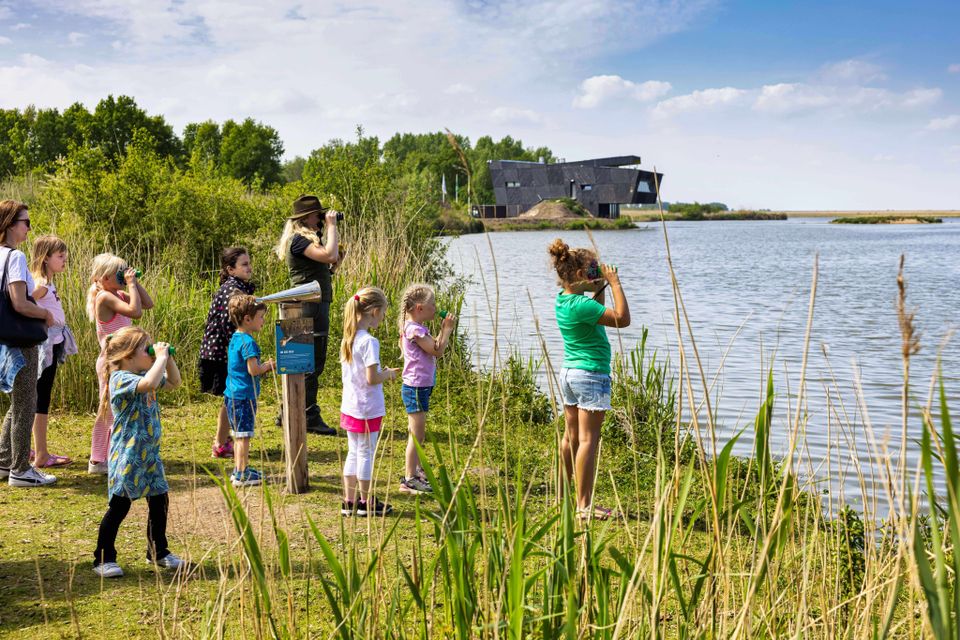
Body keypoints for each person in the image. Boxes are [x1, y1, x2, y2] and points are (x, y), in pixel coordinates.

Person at [547, 239, 630, 522]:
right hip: (591, 375)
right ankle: (584, 506)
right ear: (581, 275)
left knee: (570, 438)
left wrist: (599, 287)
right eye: (592, 269)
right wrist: (615, 283)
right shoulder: (582, 305)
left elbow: (597, 313)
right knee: (588, 441)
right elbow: (621, 318)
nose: (598, 272)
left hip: (570, 374)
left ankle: (561, 497)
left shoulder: (565, 301)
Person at [92, 326, 183, 578]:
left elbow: (175, 382)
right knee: (120, 505)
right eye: (147, 348)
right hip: (128, 455)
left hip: (150, 454)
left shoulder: (145, 371)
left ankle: (158, 550)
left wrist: (168, 358)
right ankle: (103, 557)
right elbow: (149, 382)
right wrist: (161, 359)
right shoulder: (121, 378)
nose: (152, 351)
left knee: (159, 500)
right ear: (128, 356)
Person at [0, 200, 56, 487]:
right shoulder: (15, 257)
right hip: (19, 339)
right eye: (26, 222)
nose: (29, 228)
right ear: (10, 224)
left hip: (2, 340)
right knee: (25, 402)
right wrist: (44, 313)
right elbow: (19, 302)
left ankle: (4, 460)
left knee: (16, 400)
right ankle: (21, 470)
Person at [275, 195, 341, 435]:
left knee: (304, 361)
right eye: (318, 215)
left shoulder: (302, 241)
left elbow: (326, 264)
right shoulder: (299, 241)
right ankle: (308, 414)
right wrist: (332, 227)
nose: (321, 218)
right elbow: (329, 255)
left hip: (310, 302)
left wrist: (334, 265)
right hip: (309, 305)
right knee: (311, 361)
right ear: (305, 218)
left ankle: (289, 409)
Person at [87, 253, 154, 474]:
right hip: (110, 362)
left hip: (122, 361)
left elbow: (147, 304)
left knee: (119, 409)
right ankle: (98, 459)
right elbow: (135, 312)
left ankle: (113, 453)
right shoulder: (105, 297)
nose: (123, 277)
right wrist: (131, 284)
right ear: (105, 278)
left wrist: (134, 282)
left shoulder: (117, 293)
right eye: (119, 274)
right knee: (108, 409)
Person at [339, 287, 398, 517]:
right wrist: (389, 374)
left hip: (350, 406)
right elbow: (372, 378)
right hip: (367, 408)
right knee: (366, 453)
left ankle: (349, 500)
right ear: (373, 311)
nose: (383, 317)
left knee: (353, 452)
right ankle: (366, 502)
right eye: (383, 313)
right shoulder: (369, 342)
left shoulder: (349, 338)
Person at [396, 283, 456, 494]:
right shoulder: (414, 329)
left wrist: (441, 332)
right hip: (415, 388)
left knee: (418, 433)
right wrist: (446, 330)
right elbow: (437, 351)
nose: (436, 307)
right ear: (420, 308)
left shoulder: (416, 328)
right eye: (433, 304)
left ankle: (418, 471)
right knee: (416, 435)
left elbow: (434, 347)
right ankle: (409, 478)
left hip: (420, 387)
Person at [198, 247, 256, 459]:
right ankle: (221, 443)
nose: (249, 267)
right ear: (231, 269)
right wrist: (241, 352)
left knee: (228, 397)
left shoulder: (236, 287)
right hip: (221, 353)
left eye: (249, 263)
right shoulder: (234, 291)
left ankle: (222, 441)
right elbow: (228, 326)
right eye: (244, 264)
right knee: (230, 396)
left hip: (223, 351)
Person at [30, 234, 78, 468]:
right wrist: (44, 317)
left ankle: (32, 449)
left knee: (39, 396)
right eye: (60, 256)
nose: (64, 259)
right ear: (45, 258)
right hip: (46, 344)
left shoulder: (47, 282)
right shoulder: (40, 283)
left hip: (55, 340)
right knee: (41, 398)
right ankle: (41, 454)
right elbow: (23, 301)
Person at [224, 294, 274, 487]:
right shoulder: (248, 342)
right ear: (247, 319)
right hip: (244, 396)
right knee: (244, 436)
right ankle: (242, 474)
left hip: (233, 395)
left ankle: (240, 469)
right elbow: (253, 370)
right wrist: (269, 365)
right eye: (261, 317)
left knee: (240, 434)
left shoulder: (235, 338)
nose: (263, 321)